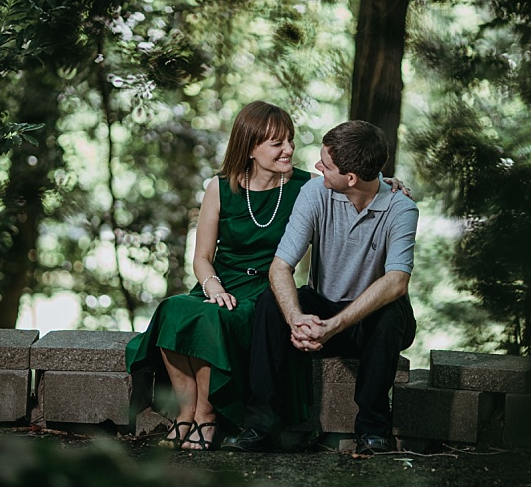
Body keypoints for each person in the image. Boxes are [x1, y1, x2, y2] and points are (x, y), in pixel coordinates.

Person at [126, 104, 411, 452]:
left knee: (386, 311)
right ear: (250, 148)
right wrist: (290, 317)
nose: (295, 153)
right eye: (278, 143)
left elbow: (395, 275)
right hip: (259, 290)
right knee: (216, 306)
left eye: (289, 140)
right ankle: (224, 421)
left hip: (320, 301)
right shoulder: (303, 190)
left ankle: (370, 431)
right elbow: (248, 262)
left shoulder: (357, 196)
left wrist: (384, 182)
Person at [223, 120, 419, 456]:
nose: (316, 167)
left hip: (370, 320)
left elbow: (397, 282)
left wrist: (333, 327)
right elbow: (280, 266)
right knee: (270, 301)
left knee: (390, 311)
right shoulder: (315, 193)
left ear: (352, 178)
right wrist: (297, 318)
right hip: (323, 309)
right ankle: (261, 426)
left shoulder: (401, 207)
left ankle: (374, 432)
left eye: (325, 164)